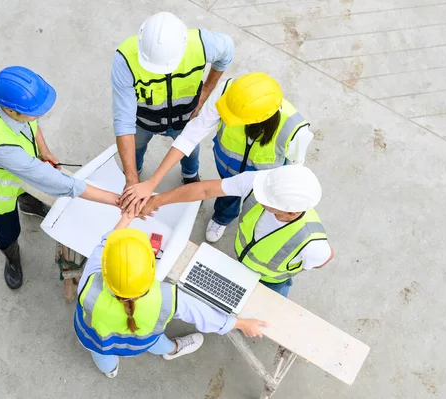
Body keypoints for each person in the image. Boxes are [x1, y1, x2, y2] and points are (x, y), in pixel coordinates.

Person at [0, 66, 121, 290]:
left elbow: (30, 123)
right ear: (11, 111)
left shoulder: (6, 98)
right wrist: (115, 199)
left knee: (27, 192)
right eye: (36, 111)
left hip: (20, 171)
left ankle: (28, 204)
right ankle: (11, 256)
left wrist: (44, 150)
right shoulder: (0, 147)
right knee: (8, 230)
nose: (40, 115)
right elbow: (59, 183)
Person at [120, 72, 314, 240]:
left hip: (264, 180)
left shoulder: (296, 130)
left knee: (258, 211)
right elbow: (191, 135)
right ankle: (223, 216)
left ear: (257, 120)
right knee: (227, 192)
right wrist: (152, 182)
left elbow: (294, 171)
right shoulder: (230, 93)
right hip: (226, 165)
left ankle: (239, 224)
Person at [74, 213, 267, 378]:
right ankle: (173, 350)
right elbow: (202, 314)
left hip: (97, 338)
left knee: (100, 353)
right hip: (143, 339)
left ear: (104, 270)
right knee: (158, 342)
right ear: (152, 271)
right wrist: (241, 324)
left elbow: (105, 244)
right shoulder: (166, 297)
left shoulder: (89, 281)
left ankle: (110, 369)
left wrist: (127, 217)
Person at [138, 165, 334, 297]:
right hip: (242, 260)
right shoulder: (261, 183)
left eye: (266, 201)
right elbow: (205, 190)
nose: (258, 195)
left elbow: (322, 260)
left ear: (291, 212)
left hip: (270, 282)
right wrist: (156, 201)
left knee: (263, 308)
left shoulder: (313, 244)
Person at [112, 11, 234, 189]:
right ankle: (133, 172)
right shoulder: (125, 59)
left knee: (190, 150)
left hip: (186, 118)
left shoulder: (202, 44)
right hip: (143, 121)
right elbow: (124, 120)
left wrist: (207, 89)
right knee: (135, 148)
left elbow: (227, 51)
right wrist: (131, 181)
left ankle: (190, 174)